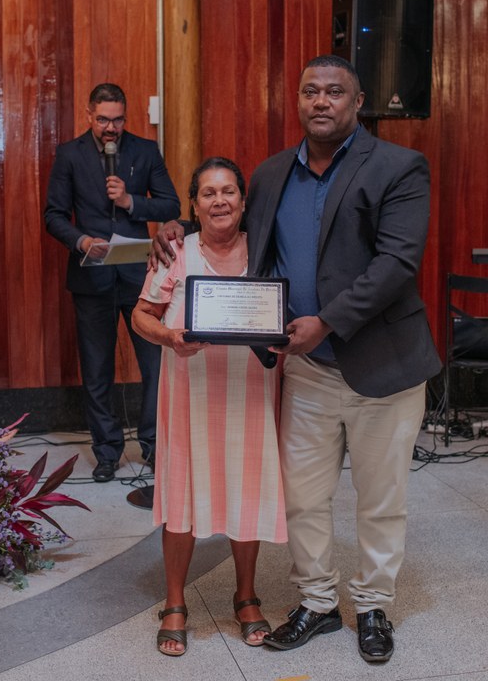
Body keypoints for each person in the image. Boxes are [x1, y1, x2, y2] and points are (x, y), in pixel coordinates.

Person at [150, 56, 442, 663]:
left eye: (335, 91)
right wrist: (174, 226)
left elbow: (397, 263)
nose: (321, 101)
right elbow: (230, 223)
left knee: (379, 498)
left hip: (382, 366)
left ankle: (373, 607)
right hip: (305, 369)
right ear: (299, 101)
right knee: (304, 498)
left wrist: (327, 321)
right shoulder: (272, 173)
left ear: (357, 102)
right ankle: (317, 601)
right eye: (310, 91)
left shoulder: (398, 166)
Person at [131, 157, 287, 657]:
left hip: (251, 390)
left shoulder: (265, 248)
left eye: (228, 191)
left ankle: (246, 597)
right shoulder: (176, 250)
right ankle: (175, 602)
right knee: (182, 493)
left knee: (247, 490)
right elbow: (141, 315)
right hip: (190, 391)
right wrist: (169, 337)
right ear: (194, 205)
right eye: (208, 193)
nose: (219, 201)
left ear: (243, 199)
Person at [44, 83, 180, 483]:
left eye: (118, 120)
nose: (110, 128)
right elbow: (53, 215)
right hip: (91, 276)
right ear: (89, 115)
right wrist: (81, 241)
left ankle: (153, 445)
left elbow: (171, 204)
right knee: (97, 370)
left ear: (126, 117)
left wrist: (130, 201)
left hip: (140, 277)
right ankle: (106, 452)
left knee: (156, 366)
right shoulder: (69, 154)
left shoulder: (145, 150)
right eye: (103, 119)